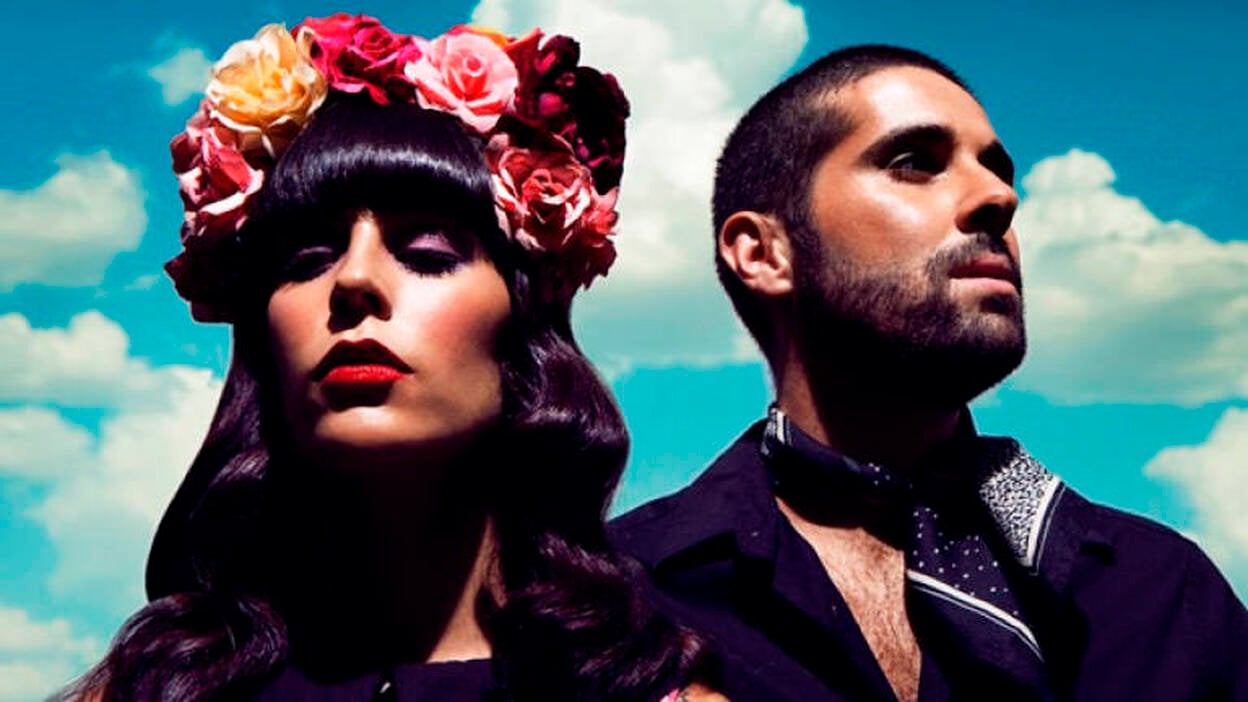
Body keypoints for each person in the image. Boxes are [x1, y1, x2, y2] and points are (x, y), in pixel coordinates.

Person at [61, 15, 720, 701]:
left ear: (526, 331)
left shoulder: (654, 692)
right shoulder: (153, 689)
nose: (352, 280)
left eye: (428, 254)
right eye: (306, 259)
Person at [610, 45, 1248, 701]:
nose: (999, 198)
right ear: (763, 253)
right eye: (914, 162)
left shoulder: (1166, 597)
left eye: (997, 171)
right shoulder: (614, 607)